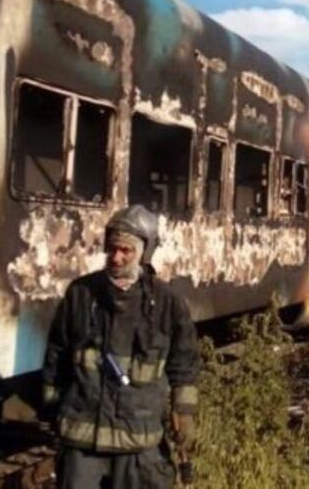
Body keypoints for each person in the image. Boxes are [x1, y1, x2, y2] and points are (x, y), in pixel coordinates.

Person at [42, 205, 200, 489]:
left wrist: (184, 412)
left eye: (126, 250)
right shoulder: (80, 295)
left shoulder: (167, 304)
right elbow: (57, 353)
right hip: (82, 442)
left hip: (138, 443)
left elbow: (184, 364)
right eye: (112, 249)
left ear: (144, 252)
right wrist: (52, 406)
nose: (116, 257)